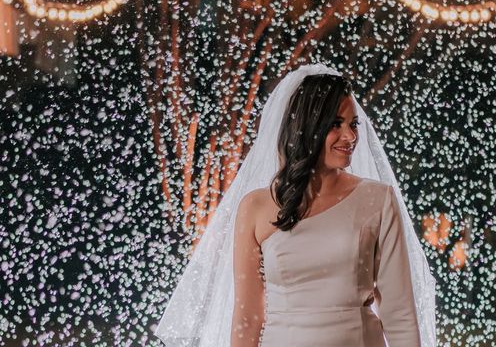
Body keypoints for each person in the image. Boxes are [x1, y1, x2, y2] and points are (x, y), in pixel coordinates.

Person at [154, 63, 437, 347]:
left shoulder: (378, 199)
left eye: (353, 125)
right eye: (336, 124)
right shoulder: (255, 208)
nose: (350, 137)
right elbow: (247, 316)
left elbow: (398, 310)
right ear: (306, 127)